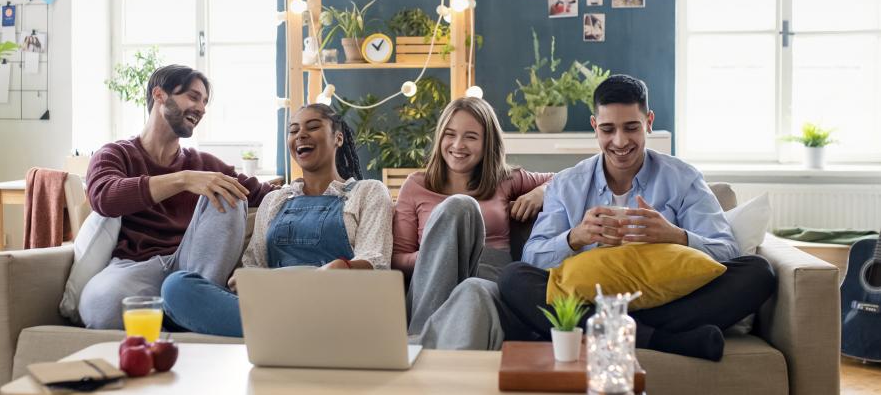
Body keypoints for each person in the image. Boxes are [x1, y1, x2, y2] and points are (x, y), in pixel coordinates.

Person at [497, 74, 775, 361]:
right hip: (592, 304)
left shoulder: (683, 178)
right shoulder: (567, 185)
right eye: (607, 129)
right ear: (595, 127)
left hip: (669, 301)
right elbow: (531, 259)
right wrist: (575, 237)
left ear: (649, 122)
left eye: (631, 127)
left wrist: (675, 236)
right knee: (513, 279)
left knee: (758, 272)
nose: (619, 141)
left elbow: (727, 252)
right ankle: (660, 339)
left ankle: (626, 333)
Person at [160, 103, 393, 337]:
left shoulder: (368, 191)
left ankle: (281, 333)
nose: (301, 134)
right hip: (274, 306)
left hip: (333, 306)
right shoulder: (275, 199)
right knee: (176, 286)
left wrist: (337, 269)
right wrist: (243, 281)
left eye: (313, 127)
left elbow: (376, 262)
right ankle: (290, 333)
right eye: (293, 130)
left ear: (338, 138)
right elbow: (254, 265)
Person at [79, 65, 278, 329]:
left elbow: (264, 194)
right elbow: (103, 197)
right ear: (159, 95)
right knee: (98, 306)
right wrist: (183, 179)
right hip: (136, 268)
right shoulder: (115, 154)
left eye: (205, 102)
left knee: (229, 190)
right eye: (194, 97)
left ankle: (194, 303)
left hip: (194, 268)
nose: (202, 108)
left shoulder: (204, 164)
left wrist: (323, 187)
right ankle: (183, 318)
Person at [395, 97, 553, 341]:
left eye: (470, 137)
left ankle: (421, 343)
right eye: (450, 134)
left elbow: (569, 178)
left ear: (487, 142)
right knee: (460, 206)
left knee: (472, 290)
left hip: (487, 280)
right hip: (433, 287)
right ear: (440, 137)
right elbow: (397, 258)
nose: (458, 145)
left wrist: (540, 192)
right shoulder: (416, 185)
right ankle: (421, 333)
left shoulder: (506, 179)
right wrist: (443, 250)